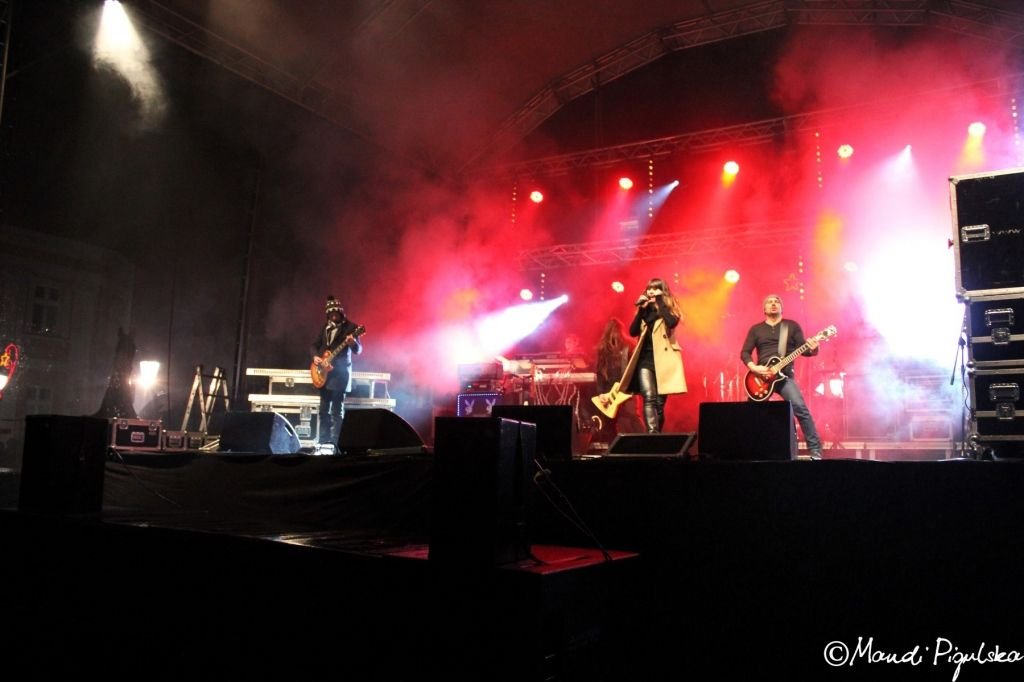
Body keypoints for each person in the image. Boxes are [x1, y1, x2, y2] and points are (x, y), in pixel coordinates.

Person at [740, 294, 823, 459]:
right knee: (750, 414)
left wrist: (814, 348)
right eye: (769, 302)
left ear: (781, 308)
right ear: (764, 309)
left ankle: (815, 450)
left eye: (777, 302)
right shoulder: (756, 329)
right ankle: (747, 451)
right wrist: (754, 368)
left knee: (800, 408)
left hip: (784, 377)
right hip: (761, 378)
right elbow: (745, 352)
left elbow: (805, 350)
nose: (773, 304)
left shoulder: (791, 326)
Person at [627, 278, 688, 433]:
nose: (651, 291)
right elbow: (632, 332)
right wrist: (641, 310)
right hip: (645, 360)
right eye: (649, 288)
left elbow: (671, 322)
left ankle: (657, 436)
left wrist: (660, 302)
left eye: (655, 288)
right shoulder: (645, 310)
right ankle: (652, 434)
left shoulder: (669, 308)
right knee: (649, 397)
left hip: (664, 361)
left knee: (659, 405)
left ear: (662, 291)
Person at [310, 296, 362, 448]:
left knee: (336, 411)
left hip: (340, 375)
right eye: (331, 314)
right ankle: (323, 442)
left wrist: (353, 343)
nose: (334, 316)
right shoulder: (325, 327)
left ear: (341, 312)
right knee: (323, 410)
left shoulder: (352, 328)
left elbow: (358, 350)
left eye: (336, 313)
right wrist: (315, 357)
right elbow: (314, 345)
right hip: (323, 374)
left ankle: (336, 444)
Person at [594, 318, 644, 438]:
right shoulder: (603, 350)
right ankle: (614, 446)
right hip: (610, 391)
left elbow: (636, 368)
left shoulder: (629, 346)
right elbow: (600, 372)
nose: (614, 337)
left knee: (632, 417)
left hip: (626, 388)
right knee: (611, 421)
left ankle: (645, 443)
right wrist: (601, 393)